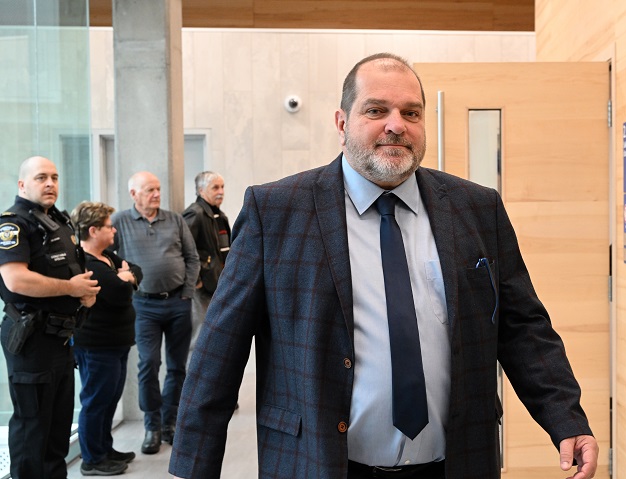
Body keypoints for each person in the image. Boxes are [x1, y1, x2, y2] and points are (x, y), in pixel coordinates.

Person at [169, 53, 599, 479]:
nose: (396, 124)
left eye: (411, 112)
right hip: (320, 463)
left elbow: (523, 326)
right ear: (341, 123)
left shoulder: (476, 208)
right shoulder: (277, 210)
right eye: (376, 110)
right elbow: (219, 350)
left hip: (458, 462)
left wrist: (565, 417)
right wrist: (194, 465)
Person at [0, 156, 100, 478]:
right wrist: (70, 289)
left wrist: (83, 294)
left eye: (55, 177)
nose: (50, 184)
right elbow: (16, 280)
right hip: (31, 340)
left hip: (60, 339)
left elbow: (70, 273)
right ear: (22, 184)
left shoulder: (56, 219)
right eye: (41, 177)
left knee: (57, 433)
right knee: (33, 431)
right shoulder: (13, 224)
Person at [112, 171, 199, 455]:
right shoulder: (119, 222)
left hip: (177, 302)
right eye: (150, 190)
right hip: (143, 305)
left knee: (177, 366)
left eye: (158, 189)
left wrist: (186, 292)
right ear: (134, 194)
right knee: (148, 364)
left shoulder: (174, 219)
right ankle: (151, 424)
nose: (157, 194)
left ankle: (169, 423)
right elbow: (107, 260)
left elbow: (192, 257)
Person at [70, 201, 144, 476]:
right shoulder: (89, 264)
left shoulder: (107, 257)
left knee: (110, 397)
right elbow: (119, 294)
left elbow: (137, 269)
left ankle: (105, 448)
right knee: (96, 400)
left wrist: (127, 276)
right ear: (93, 230)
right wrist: (124, 278)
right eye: (108, 226)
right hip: (96, 345)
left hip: (116, 342)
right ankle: (92, 459)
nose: (114, 231)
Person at [182, 171, 230, 351]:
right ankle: (194, 378)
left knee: (214, 336)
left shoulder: (219, 215)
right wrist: (197, 279)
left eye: (222, 187)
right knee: (200, 337)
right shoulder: (195, 214)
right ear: (201, 191)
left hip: (218, 284)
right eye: (215, 187)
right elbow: (183, 248)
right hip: (204, 287)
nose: (221, 191)